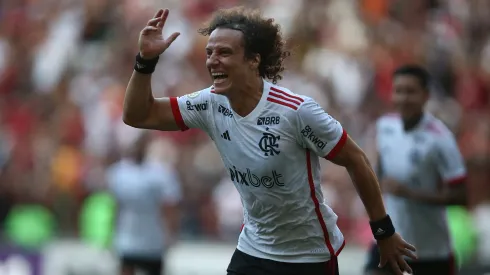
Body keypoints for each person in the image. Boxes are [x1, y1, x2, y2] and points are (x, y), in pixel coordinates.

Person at [123, 7, 417, 275]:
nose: (212, 61)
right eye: (210, 52)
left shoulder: (295, 112)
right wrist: (145, 62)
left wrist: (384, 232)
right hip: (253, 249)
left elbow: (356, 160)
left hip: (308, 255)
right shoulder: (209, 103)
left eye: (224, 53)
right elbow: (138, 115)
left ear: (253, 60)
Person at [364, 65, 467, 275]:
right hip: (390, 242)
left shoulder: (441, 138)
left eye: (410, 91)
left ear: (425, 95)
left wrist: (410, 193)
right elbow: (379, 171)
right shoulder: (385, 127)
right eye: (398, 91)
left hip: (430, 252)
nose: (403, 98)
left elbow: (461, 196)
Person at [107, 133, 181, 275]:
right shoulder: (120, 172)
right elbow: (114, 206)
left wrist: (171, 233)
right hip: (127, 239)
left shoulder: (160, 173)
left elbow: (169, 207)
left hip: (152, 241)